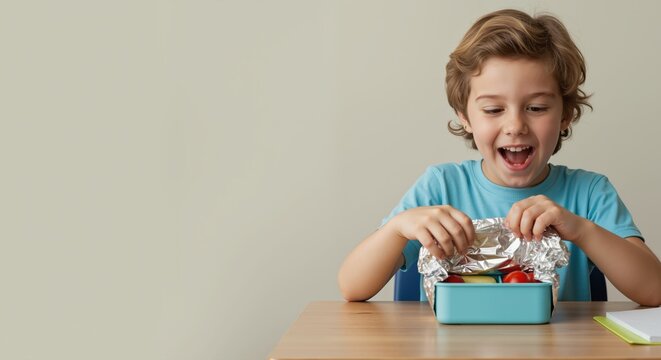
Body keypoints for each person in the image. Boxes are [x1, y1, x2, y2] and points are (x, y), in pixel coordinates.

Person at [337, 9, 661, 306]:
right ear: (465, 116)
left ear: (565, 115)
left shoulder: (589, 192)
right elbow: (352, 287)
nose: (515, 126)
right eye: (493, 109)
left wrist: (582, 231)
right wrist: (396, 229)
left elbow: (654, 290)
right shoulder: (440, 186)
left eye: (536, 108)